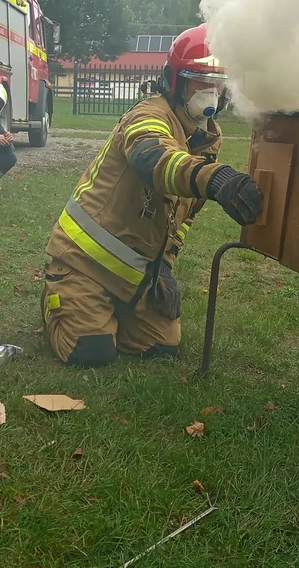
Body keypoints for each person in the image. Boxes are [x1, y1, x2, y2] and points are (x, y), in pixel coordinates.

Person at [39, 24, 263, 368]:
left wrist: (166, 268)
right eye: (200, 82)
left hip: (136, 275)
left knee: (162, 347)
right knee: (92, 353)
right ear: (176, 81)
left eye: (217, 84)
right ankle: (58, 301)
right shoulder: (149, 114)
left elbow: (184, 217)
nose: (211, 94)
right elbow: (153, 160)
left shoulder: (206, 139)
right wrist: (213, 178)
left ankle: (113, 311)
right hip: (82, 263)